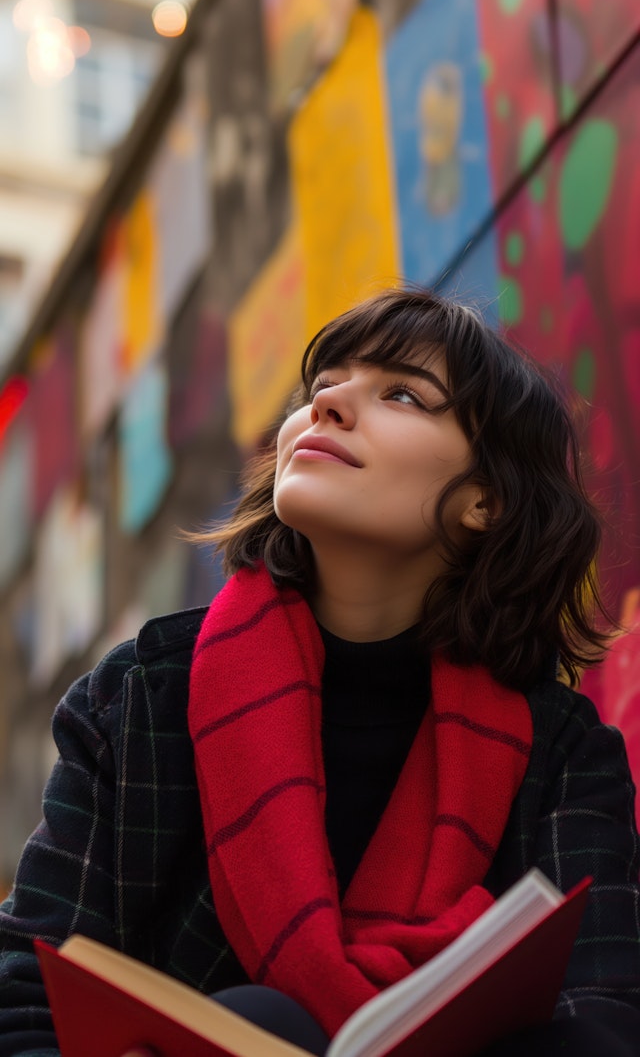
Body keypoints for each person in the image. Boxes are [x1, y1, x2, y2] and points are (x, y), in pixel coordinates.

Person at [1, 287, 639, 1057]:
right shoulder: (139, 696)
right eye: (324, 384)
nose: (330, 404)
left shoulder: (564, 756)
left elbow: (604, 1016)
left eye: (402, 393)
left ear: (486, 501)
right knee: (264, 1020)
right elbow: (28, 992)